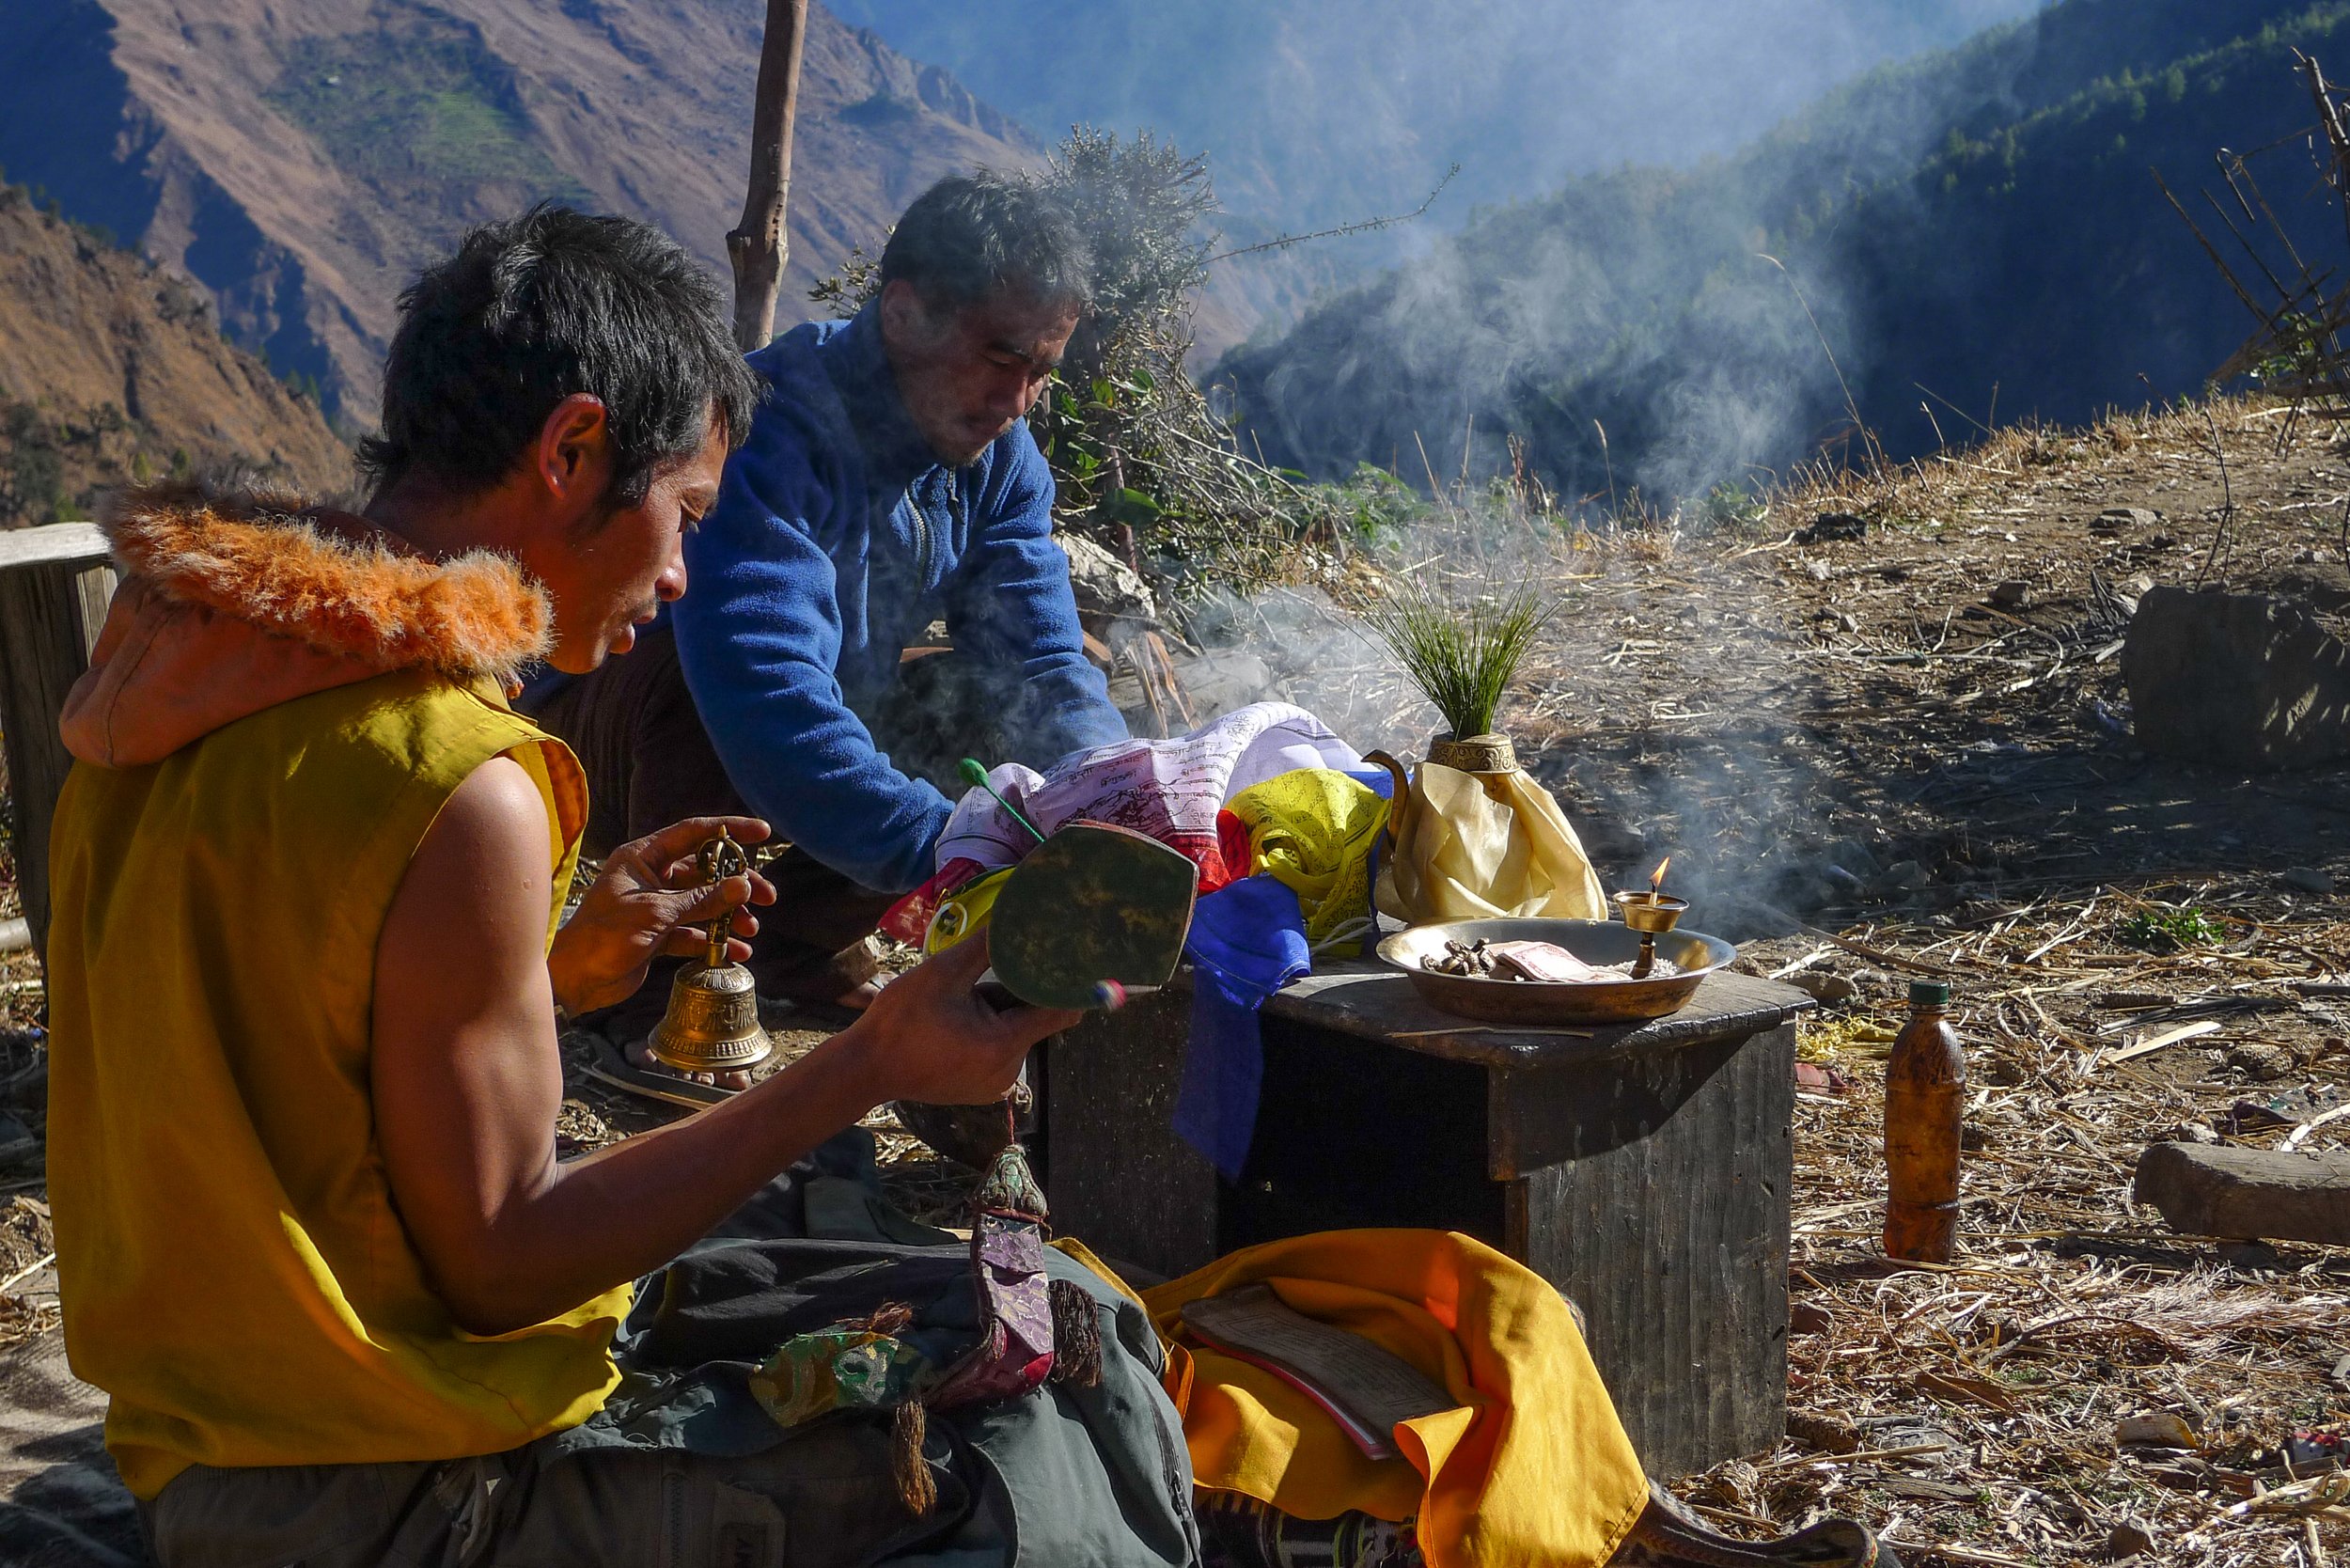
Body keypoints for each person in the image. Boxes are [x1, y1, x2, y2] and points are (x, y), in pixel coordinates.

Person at [42, 205, 1198, 1566]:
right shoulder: (457, 779)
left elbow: (280, 1049)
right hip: (388, 1486)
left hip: (211, 1431)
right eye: (684, 515)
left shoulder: (167, 692)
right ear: (571, 450)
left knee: (1053, 1311)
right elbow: (502, 1260)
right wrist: (873, 1059)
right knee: (1053, 1418)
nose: (679, 572)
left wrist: (558, 972)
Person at [521, 173, 1128, 1085]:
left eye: (1041, 371)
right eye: (1001, 357)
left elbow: (1037, 659)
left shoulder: (998, 459)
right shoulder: (771, 427)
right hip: (597, 747)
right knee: (709, 673)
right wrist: (948, 852)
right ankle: (654, 998)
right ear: (904, 312)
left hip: (783, 730)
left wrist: (1114, 804)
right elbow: (763, 686)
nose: (1019, 399)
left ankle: (794, 953)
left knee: (971, 697)